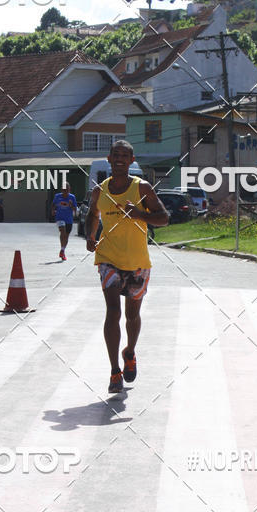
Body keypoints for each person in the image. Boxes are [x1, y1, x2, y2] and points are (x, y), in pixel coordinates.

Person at [85, 140, 169, 394]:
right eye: (116, 155)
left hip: (137, 262)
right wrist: (91, 236)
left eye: (125, 156)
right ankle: (114, 372)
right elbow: (93, 214)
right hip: (108, 258)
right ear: (109, 159)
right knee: (113, 312)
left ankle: (129, 352)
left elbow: (164, 218)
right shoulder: (100, 191)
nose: (120, 159)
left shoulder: (141, 188)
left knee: (132, 315)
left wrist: (139, 214)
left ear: (131, 161)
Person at [51, 182, 77, 260]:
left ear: (69, 190)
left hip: (69, 219)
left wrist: (71, 205)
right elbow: (53, 205)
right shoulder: (57, 196)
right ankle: (62, 251)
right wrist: (52, 210)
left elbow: (75, 209)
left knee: (66, 236)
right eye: (64, 189)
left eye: (67, 189)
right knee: (63, 231)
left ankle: (62, 250)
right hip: (60, 217)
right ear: (62, 190)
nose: (65, 191)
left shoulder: (72, 197)